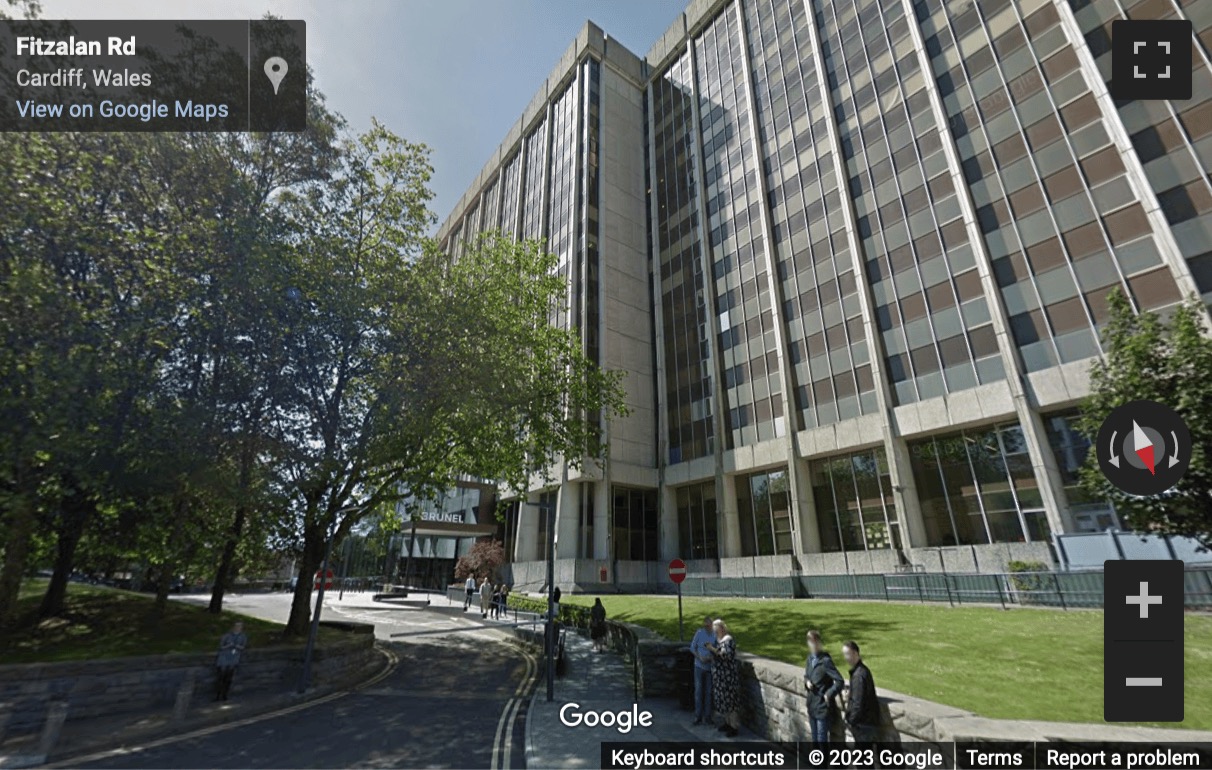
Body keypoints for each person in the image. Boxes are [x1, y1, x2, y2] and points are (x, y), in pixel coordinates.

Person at [804, 629, 844, 744]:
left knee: (822, 740)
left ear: (819, 643)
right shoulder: (809, 659)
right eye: (810, 642)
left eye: (815, 642)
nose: (813, 644)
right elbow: (806, 675)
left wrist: (829, 693)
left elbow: (839, 681)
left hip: (822, 707)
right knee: (815, 740)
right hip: (812, 705)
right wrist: (807, 682)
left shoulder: (825, 661)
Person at [705, 618, 740, 737]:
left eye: (716, 629)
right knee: (724, 702)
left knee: (730, 702)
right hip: (720, 678)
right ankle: (727, 723)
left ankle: (734, 726)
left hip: (727, 677)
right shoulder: (719, 641)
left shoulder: (728, 640)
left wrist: (712, 649)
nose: (714, 632)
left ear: (721, 628)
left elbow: (725, 655)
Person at [841, 640, 879, 745]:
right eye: (844, 654)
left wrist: (850, 721)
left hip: (863, 725)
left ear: (856, 653)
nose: (845, 658)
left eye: (847, 654)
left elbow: (858, 703)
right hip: (866, 723)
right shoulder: (861, 671)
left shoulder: (859, 675)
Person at [689, 615, 715, 726]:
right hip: (699, 666)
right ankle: (698, 716)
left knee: (709, 692)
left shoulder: (714, 635)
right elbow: (692, 647)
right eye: (707, 625)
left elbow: (717, 650)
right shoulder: (699, 633)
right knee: (699, 691)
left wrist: (710, 658)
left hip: (709, 667)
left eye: (710, 625)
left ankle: (708, 716)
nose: (708, 627)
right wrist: (700, 657)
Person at [214, 621, 247, 701]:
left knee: (228, 678)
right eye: (236, 626)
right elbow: (221, 646)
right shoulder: (227, 636)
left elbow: (243, 647)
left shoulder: (242, 637)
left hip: (234, 658)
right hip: (224, 658)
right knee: (221, 677)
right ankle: (218, 695)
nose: (238, 628)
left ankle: (225, 695)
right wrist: (228, 645)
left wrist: (237, 646)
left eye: (240, 627)